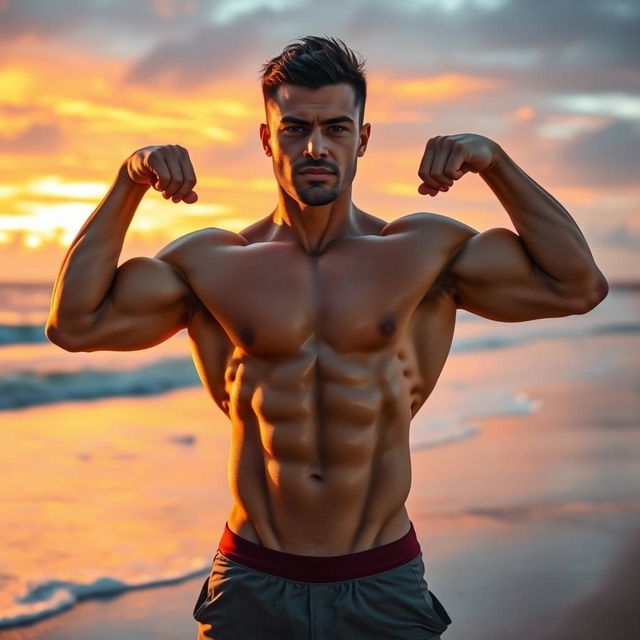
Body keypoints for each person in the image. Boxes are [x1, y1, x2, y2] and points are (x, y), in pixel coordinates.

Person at [46, 36, 609, 640]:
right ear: (267, 139)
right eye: (294, 128)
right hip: (252, 578)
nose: (315, 146)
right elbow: (74, 324)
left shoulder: (423, 252)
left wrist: (495, 161)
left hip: (381, 578)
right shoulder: (212, 263)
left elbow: (577, 287)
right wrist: (129, 179)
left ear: (363, 139)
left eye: (337, 128)